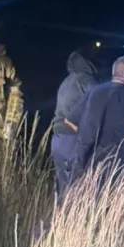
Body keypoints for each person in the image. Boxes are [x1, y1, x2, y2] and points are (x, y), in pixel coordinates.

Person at [68, 55, 124, 182]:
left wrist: (86, 137)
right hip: (115, 163)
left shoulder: (94, 91)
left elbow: (70, 121)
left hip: (88, 158)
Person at [51, 50, 99, 199]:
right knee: (79, 185)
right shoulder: (87, 80)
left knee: (63, 185)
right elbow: (99, 105)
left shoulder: (66, 81)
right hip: (73, 137)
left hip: (58, 138)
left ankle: (61, 212)